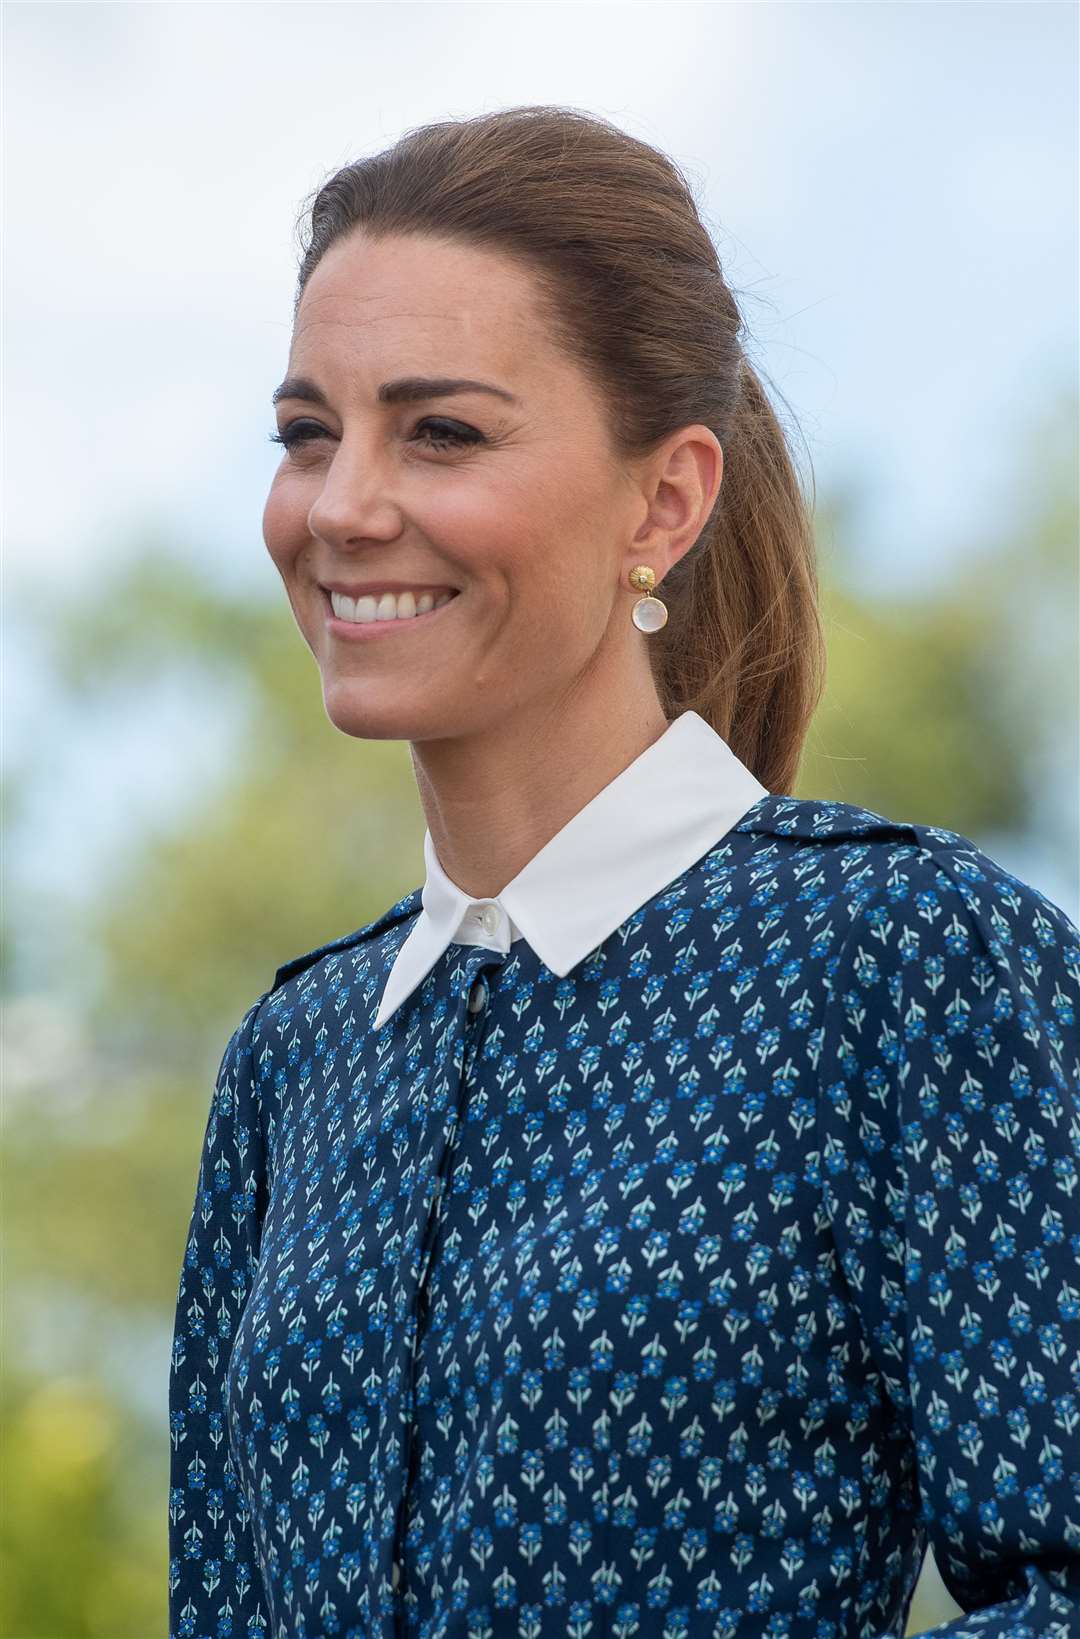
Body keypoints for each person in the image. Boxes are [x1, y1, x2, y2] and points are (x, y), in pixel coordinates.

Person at [167, 105, 1080, 1639]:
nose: (340, 508)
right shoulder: (293, 1060)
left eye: (440, 430)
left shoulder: (910, 963)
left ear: (664, 501)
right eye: (308, 432)